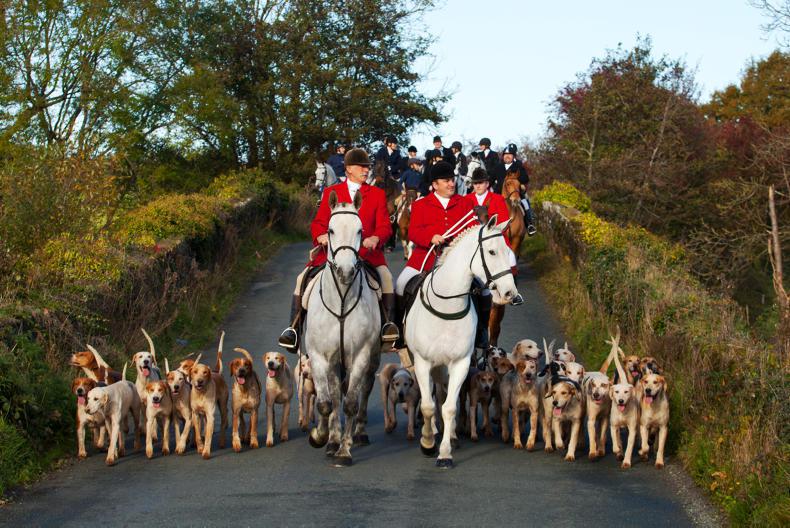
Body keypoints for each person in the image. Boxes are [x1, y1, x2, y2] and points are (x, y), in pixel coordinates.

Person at [278, 148, 399, 351]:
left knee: (386, 278)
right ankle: (294, 329)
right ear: (349, 169)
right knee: (302, 279)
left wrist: (376, 238)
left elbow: (385, 226)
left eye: (367, 167)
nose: (366, 170)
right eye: (362, 167)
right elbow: (318, 223)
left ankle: (387, 327)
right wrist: (320, 236)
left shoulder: (376, 194)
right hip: (332, 255)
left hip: (367, 254)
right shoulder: (331, 192)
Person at [394, 161, 493, 351]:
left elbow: (473, 230)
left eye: (452, 180)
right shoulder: (422, 204)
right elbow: (413, 232)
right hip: (426, 257)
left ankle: (481, 331)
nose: (451, 184)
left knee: (485, 289)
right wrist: (430, 237)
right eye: (446, 180)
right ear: (435, 184)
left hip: (457, 262)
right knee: (400, 284)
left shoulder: (465, 203)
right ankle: (399, 330)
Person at [464, 167, 523, 303]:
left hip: (495, 239)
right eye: (475, 183)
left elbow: (502, 221)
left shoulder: (497, 199)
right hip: (472, 242)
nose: (478, 186)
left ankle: (513, 293)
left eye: (481, 183)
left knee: (512, 257)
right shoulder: (466, 199)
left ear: (487, 184)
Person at [491, 143, 536, 235]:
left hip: (515, 193)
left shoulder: (518, 166)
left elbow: (525, 178)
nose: (507, 156)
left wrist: (516, 181)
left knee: (525, 203)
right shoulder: (498, 167)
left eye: (509, 155)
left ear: (513, 156)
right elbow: (490, 179)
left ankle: (529, 224)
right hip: (499, 194)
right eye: (505, 154)